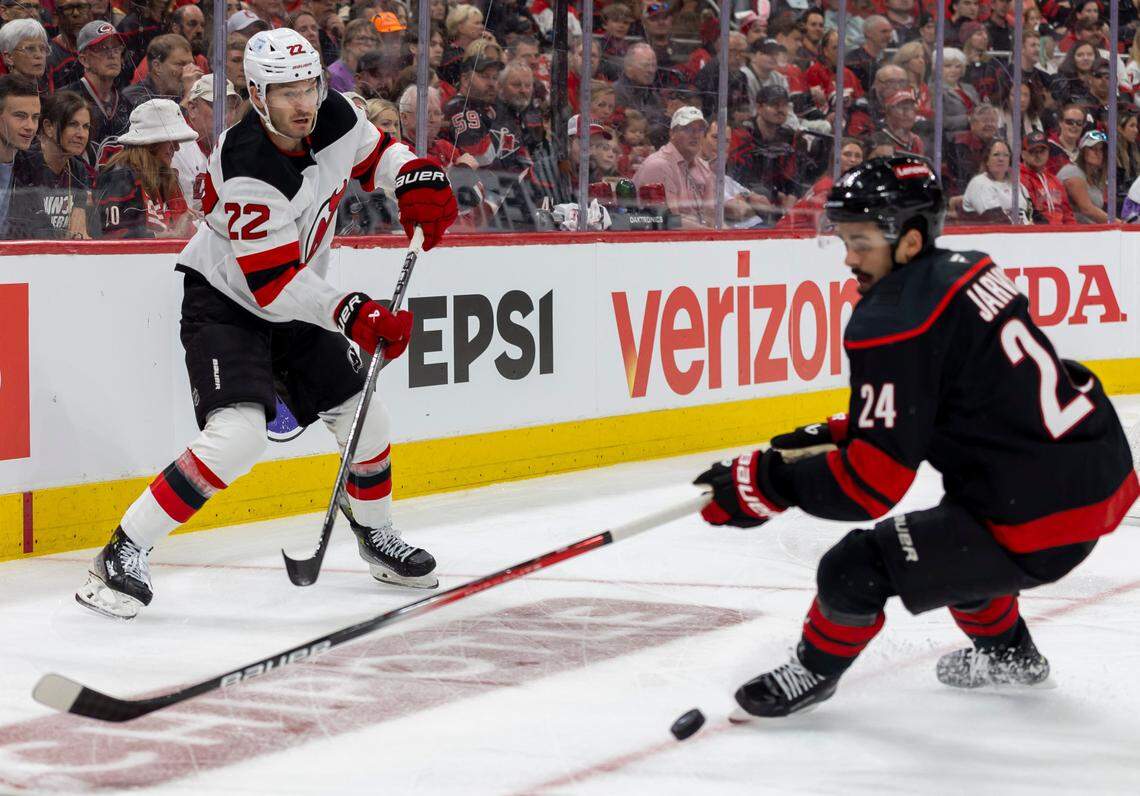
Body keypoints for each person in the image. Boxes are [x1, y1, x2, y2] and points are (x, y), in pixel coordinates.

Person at [695, 155, 1138, 719]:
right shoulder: (970, 266)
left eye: (859, 241)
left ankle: (813, 672)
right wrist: (846, 429)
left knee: (852, 568)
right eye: (844, 241)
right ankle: (1011, 657)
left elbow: (869, 488)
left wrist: (767, 484)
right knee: (961, 539)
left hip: (1038, 515)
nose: (849, 258)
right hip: (1096, 469)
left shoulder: (892, 318)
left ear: (908, 239)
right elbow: (954, 395)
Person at [76, 29, 459, 621]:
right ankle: (123, 550)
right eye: (285, 92)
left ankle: (376, 533)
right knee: (238, 436)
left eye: (309, 85)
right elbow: (273, 285)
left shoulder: (331, 113)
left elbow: (375, 153)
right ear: (257, 93)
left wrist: (415, 178)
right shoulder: (246, 161)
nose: (303, 103)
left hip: (300, 300)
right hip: (229, 301)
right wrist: (354, 312)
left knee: (366, 415)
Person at [95, 98, 196, 238]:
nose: (177, 147)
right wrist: (166, 237)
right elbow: (112, 241)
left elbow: (184, 227)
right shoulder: (120, 177)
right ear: (151, 142)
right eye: (172, 140)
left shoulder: (166, 178)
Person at [8, 89, 94, 239]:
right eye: (72, 124)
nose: (81, 134)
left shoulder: (78, 169)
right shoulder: (24, 162)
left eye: (86, 126)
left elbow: (79, 233)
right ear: (48, 127)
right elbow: (32, 229)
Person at [61, 21, 133, 161]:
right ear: (84, 59)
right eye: (103, 48)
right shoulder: (65, 99)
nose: (112, 55)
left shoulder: (127, 104)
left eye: (116, 48)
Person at [632, 106, 715, 228]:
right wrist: (711, 235)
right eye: (687, 129)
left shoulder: (703, 167)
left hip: (696, 239)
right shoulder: (659, 165)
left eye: (700, 130)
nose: (695, 135)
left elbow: (711, 215)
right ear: (672, 133)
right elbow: (671, 222)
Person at [173, 74, 241, 215]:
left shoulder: (238, 149)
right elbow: (181, 220)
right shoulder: (175, 150)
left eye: (231, 107)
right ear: (192, 109)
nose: (226, 115)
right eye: (216, 106)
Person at [0, 75, 41, 238]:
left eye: (35, 118)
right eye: (20, 116)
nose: (30, 126)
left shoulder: (32, 166)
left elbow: (40, 229)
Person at [961, 138, 1030, 224]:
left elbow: (1032, 212)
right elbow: (994, 219)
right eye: (996, 154)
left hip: (1025, 234)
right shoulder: (979, 183)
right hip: (998, 235)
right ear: (987, 160)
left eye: (1006, 155)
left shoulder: (1018, 185)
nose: (1001, 159)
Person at [1019, 130, 1077, 225]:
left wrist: (1074, 233)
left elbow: (1067, 214)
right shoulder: (1020, 179)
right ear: (1023, 154)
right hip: (1039, 233)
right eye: (1033, 151)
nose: (1038, 155)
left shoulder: (1054, 180)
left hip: (1061, 234)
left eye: (1042, 151)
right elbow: (1029, 214)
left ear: (1048, 152)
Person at [1058, 129, 1109, 223]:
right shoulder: (1072, 172)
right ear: (1083, 151)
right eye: (1093, 148)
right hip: (1071, 232)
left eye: (1101, 149)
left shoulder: (1095, 177)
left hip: (1090, 231)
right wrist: (1119, 223)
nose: (1098, 153)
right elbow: (1087, 210)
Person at [0, 18, 50, 94]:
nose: (39, 55)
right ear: (9, 57)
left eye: (42, 48)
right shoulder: (3, 97)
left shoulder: (47, 89)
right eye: (30, 49)